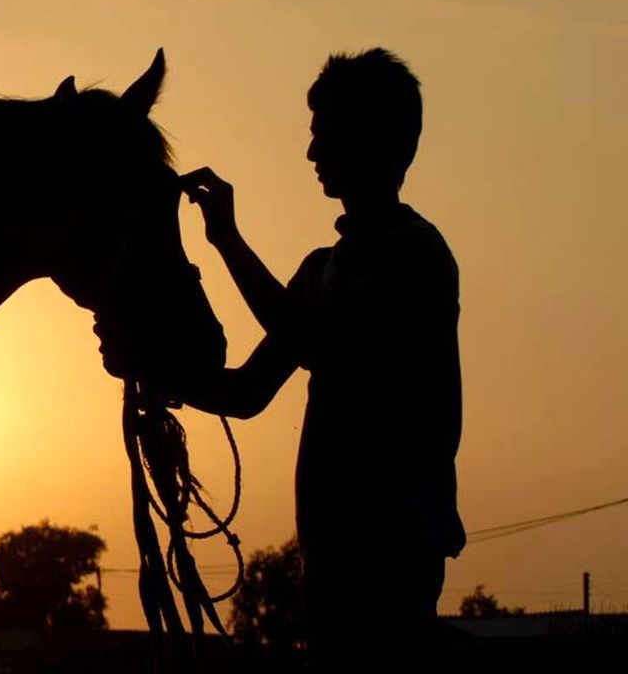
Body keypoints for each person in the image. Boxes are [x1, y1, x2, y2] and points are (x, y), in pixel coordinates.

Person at [112, 48, 465, 666]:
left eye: (324, 135)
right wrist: (154, 366)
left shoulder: (413, 257)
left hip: (393, 550)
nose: (312, 154)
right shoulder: (321, 270)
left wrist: (226, 241)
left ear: (374, 142)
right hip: (331, 555)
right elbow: (246, 393)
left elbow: (314, 343)